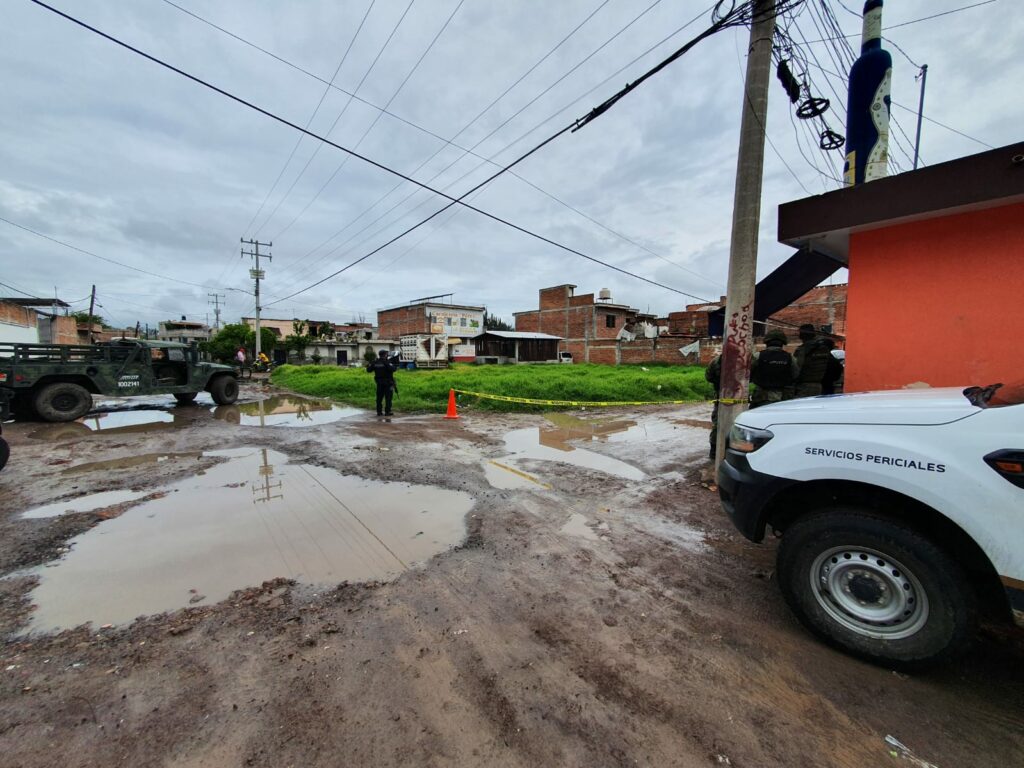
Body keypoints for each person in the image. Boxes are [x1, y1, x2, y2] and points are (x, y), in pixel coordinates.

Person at [750, 329, 798, 408]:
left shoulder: (758, 356)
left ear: (767, 342)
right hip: (783, 399)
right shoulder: (790, 358)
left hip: (761, 398)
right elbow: (796, 375)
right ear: (782, 343)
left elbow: (748, 373)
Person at [791, 323, 832, 399]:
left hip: (805, 386)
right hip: (820, 385)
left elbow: (797, 368)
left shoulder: (803, 349)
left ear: (802, 335)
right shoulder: (824, 348)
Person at [366, 349, 398, 416]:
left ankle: (379, 412)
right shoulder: (386, 362)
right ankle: (387, 412)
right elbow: (393, 369)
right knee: (388, 398)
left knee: (379, 398)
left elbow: (368, 370)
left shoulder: (375, 362)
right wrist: (394, 365)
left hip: (379, 383)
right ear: (385, 355)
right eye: (386, 354)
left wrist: (369, 364)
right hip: (388, 383)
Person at [705, 354, 722, 460]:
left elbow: (708, 377)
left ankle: (714, 451)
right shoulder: (744, 359)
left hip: (721, 396)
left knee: (718, 424)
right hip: (740, 396)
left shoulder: (717, 360)